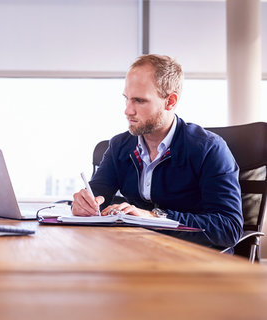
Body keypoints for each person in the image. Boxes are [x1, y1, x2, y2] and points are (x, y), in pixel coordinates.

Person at [72, 54, 243, 250]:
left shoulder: (210, 149)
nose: (127, 110)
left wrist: (155, 217)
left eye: (139, 101)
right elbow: (96, 198)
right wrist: (83, 205)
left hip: (193, 260)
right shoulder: (120, 145)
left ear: (170, 101)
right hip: (137, 253)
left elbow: (229, 228)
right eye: (126, 99)